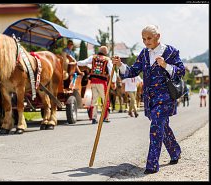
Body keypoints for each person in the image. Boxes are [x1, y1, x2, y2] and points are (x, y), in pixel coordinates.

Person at [112, 25, 185, 174]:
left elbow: (181, 71)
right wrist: (120, 64)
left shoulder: (171, 52)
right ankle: (175, 151)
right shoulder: (144, 53)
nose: (146, 42)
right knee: (162, 127)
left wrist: (165, 65)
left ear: (158, 36)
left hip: (165, 97)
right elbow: (133, 71)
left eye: (149, 38)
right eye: (143, 39)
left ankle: (152, 165)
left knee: (156, 128)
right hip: (150, 98)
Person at [77, 46, 116, 124]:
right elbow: (112, 71)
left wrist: (76, 62)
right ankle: (105, 117)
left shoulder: (93, 57)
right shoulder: (107, 60)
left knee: (94, 100)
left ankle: (94, 118)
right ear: (105, 52)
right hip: (102, 82)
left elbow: (83, 62)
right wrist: (113, 82)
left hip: (93, 82)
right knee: (105, 100)